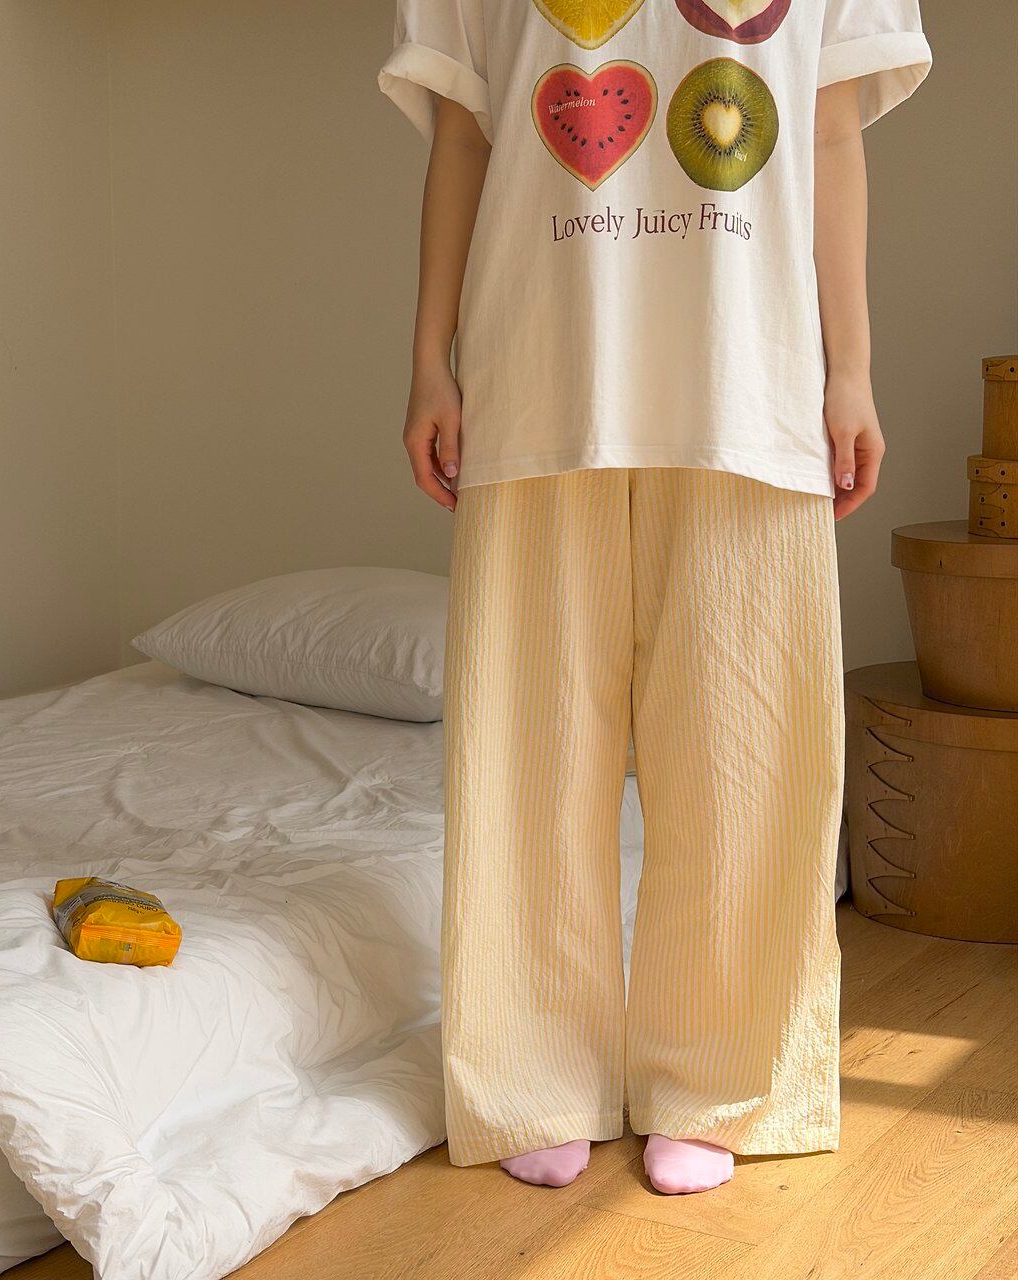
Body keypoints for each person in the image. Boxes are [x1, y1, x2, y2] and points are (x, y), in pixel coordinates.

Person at [378, 0, 930, 1195]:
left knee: (746, 755)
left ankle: (720, 1078)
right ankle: (531, 1070)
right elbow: (463, 136)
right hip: (536, 374)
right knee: (526, 755)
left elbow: (828, 134)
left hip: (750, 381)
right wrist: (430, 361)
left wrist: (849, 370)